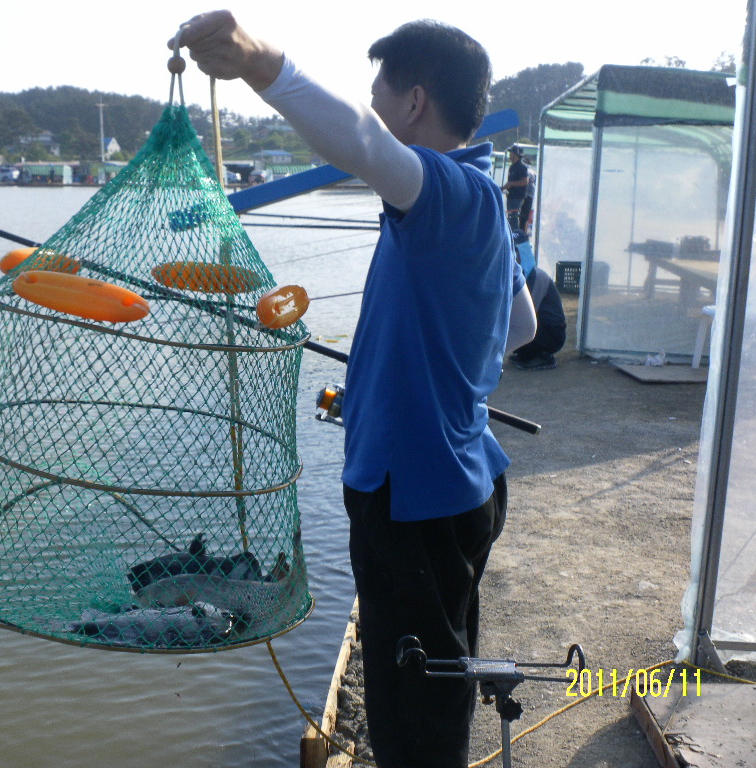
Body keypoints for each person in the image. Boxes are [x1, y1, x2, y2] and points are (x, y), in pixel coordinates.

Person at [173, 12, 536, 768]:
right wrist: (415, 381)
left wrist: (258, 61)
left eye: (380, 97)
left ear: (414, 101)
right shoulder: (477, 205)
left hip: (417, 506)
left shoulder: (448, 195)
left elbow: (364, 144)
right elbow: (522, 324)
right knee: (440, 675)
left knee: (413, 709)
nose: (374, 111)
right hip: (458, 480)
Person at [510, 234, 566, 370]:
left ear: (523, 252)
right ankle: (529, 353)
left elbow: (527, 312)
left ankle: (544, 357)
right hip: (543, 328)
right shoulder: (522, 276)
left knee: (520, 331)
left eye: (516, 251)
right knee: (518, 340)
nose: (514, 256)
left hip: (552, 333)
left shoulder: (537, 276)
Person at [501, 144, 529, 232]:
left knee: (514, 217)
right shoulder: (512, 167)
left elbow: (525, 181)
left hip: (517, 197)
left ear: (516, 155)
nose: (510, 155)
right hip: (511, 196)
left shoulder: (522, 167)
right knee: (510, 217)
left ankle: (515, 234)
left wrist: (512, 184)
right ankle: (511, 233)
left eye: (512, 153)